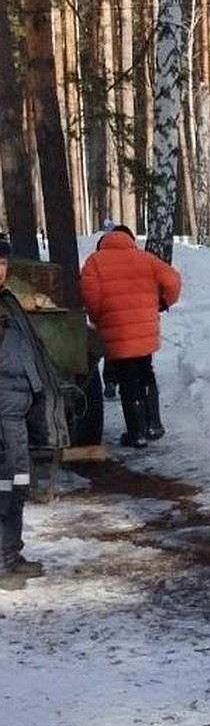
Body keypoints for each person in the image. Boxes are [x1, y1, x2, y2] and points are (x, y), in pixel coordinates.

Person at [0, 237, 70, 590]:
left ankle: (12, 553)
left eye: (2, 263)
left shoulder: (8, 301)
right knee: (2, 488)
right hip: (2, 418)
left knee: (17, 486)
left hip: (16, 417)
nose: (0, 270)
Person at [80, 225, 182, 448]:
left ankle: (136, 433)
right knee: (146, 372)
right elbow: (173, 280)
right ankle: (153, 423)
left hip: (117, 330)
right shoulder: (145, 258)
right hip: (144, 330)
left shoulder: (94, 262)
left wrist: (100, 317)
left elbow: (90, 296)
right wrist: (163, 303)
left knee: (127, 378)